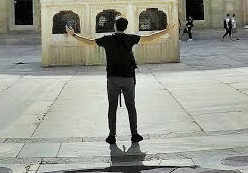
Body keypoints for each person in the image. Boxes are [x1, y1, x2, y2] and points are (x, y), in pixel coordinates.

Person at [69, 16, 172, 144]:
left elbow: (90, 42)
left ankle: (112, 135)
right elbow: (149, 38)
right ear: (125, 27)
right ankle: (134, 134)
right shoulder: (130, 38)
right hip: (128, 77)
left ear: (115, 26)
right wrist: (165, 31)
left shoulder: (107, 39)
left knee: (112, 108)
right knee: (131, 106)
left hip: (113, 77)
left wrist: (73, 35)